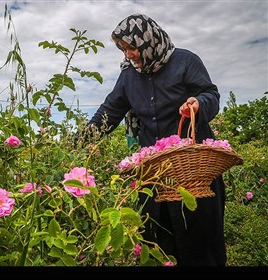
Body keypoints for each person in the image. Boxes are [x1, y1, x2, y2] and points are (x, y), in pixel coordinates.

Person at [84, 14, 226, 266]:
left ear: (148, 39)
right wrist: (78, 143)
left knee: (200, 239)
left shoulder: (185, 61)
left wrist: (198, 103)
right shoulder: (129, 76)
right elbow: (109, 112)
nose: (128, 54)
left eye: (132, 47)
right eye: (123, 49)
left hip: (193, 169)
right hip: (154, 173)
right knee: (159, 238)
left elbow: (210, 94)